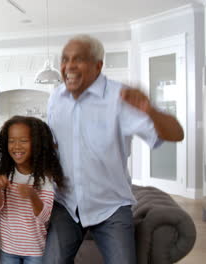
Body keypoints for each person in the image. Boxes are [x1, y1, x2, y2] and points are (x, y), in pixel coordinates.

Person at [44, 34, 184, 264]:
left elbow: (176, 134)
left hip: (110, 207)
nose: (68, 66)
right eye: (65, 59)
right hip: (66, 204)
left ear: (98, 65)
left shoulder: (120, 98)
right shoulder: (56, 98)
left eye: (78, 59)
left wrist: (150, 110)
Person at [0, 116, 65, 264]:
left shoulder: (45, 178)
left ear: (37, 144)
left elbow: (44, 217)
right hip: (8, 250)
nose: (16, 146)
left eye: (23, 141)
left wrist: (32, 196)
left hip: (36, 252)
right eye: (11, 141)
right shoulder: (4, 172)